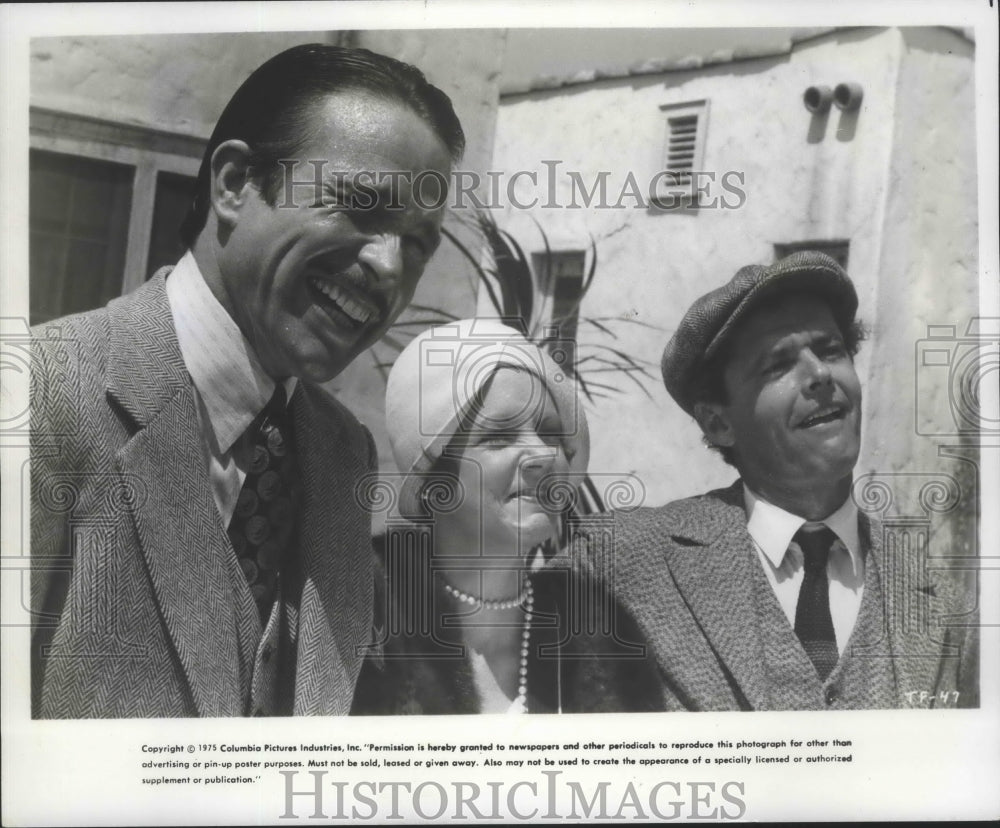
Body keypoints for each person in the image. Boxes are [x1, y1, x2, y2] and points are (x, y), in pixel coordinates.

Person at [29, 43, 464, 718]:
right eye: (361, 206)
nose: (388, 266)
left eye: (417, 244)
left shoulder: (343, 449)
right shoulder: (42, 395)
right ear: (234, 183)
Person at [581, 251, 976, 711]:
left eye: (831, 350)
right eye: (778, 365)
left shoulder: (946, 610)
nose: (821, 374)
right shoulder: (620, 565)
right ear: (717, 423)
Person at [351, 319, 661, 714]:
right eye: (498, 436)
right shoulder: (359, 622)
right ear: (433, 478)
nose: (543, 455)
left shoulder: (602, 636)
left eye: (550, 434)